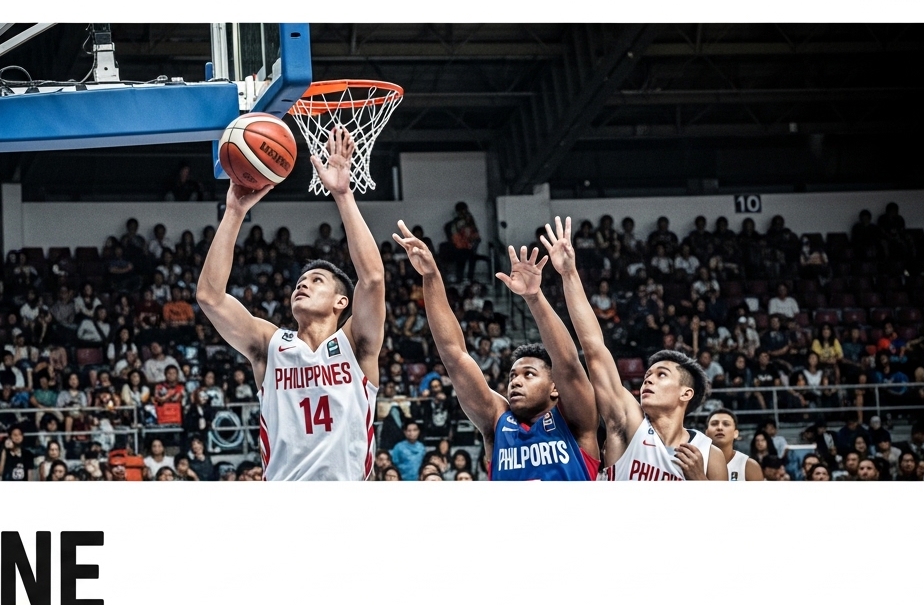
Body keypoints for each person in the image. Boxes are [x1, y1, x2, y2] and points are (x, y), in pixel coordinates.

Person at [196, 128, 384, 480]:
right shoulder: (271, 345)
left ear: (341, 301)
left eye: (317, 280)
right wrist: (234, 212)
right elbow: (210, 297)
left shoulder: (356, 344)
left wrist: (343, 195)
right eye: (300, 281)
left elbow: (372, 279)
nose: (303, 284)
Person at [393, 220, 600, 480]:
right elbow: (455, 357)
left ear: (555, 387)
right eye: (513, 376)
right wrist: (431, 276)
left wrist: (534, 297)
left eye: (529, 374)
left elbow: (567, 363)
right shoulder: (498, 420)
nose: (516, 382)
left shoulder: (575, 421)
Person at [551, 217, 726, 480]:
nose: (648, 380)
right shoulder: (629, 423)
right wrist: (569, 274)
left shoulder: (710, 454)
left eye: (661, 374)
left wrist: (700, 481)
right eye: (647, 375)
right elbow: (594, 348)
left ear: (686, 393)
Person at [706, 409, 762, 481]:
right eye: (714, 424)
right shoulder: (696, 461)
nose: (720, 427)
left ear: (736, 433)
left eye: (726, 424)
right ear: (706, 433)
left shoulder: (749, 466)